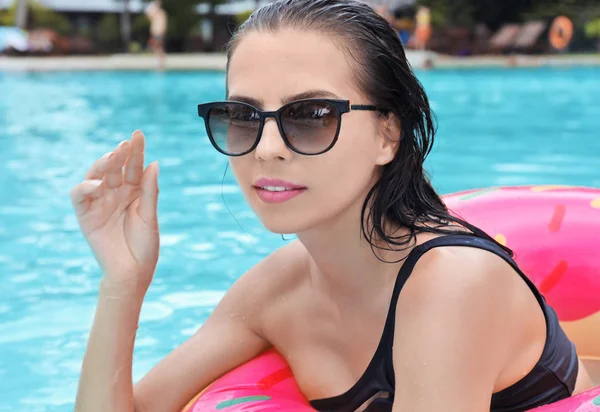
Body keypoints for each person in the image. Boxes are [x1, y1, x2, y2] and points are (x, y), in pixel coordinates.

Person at [72, 1, 594, 411]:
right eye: (243, 115)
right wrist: (123, 280)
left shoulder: (454, 285)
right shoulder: (275, 292)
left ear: (388, 135)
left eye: (312, 115)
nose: (267, 147)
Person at [145, 0, 167, 70]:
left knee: (159, 47)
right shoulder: (154, 13)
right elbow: (148, 15)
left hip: (159, 33)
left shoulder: (161, 13)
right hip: (155, 33)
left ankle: (161, 63)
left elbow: (163, 24)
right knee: (155, 48)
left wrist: (162, 32)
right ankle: (159, 62)